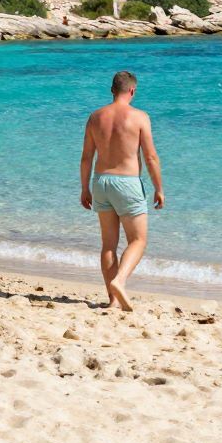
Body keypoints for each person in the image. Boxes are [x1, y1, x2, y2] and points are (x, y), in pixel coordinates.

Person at [79, 70, 163, 312]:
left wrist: (85, 188)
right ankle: (120, 281)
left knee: (108, 244)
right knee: (138, 240)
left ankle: (113, 301)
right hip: (127, 183)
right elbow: (150, 157)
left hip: (101, 182)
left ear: (112, 90)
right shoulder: (139, 117)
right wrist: (159, 188)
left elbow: (86, 158)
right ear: (132, 91)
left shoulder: (95, 117)